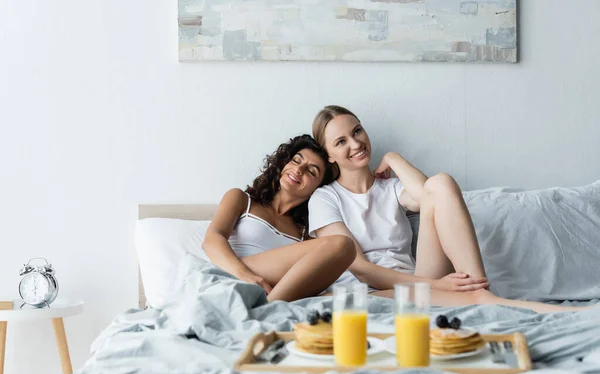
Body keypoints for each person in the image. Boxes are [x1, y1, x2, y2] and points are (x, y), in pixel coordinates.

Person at [309, 105, 583, 313]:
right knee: (470, 296)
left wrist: (393, 158)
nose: (356, 143)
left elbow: (431, 194)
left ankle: (479, 287)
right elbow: (362, 270)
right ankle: (564, 312)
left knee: (441, 182)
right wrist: (440, 285)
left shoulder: (391, 188)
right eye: (341, 141)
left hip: (419, 280)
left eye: (357, 131)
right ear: (329, 155)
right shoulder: (325, 198)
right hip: (373, 292)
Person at [203, 134, 356, 302]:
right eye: (296, 161)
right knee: (342, 244)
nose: (299, 170)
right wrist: (247, 276)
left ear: (318, 189)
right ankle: (267, 310)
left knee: (352, 292)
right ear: (284, 163)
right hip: (232, 273)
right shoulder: (242, 199)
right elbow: (212, 240)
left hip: (270, 294)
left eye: (311, 171)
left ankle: (266, 308)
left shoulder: (305, 234)